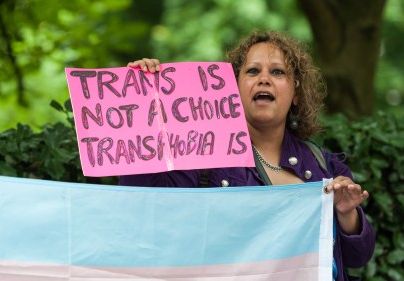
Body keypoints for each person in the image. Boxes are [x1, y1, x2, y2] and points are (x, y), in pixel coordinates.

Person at [119, 30, 375, 281]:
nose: (264, 79)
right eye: (253, 71)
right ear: (234, 88)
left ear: (296, 93)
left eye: (277, 72)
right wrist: (142, 97)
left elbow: (358, 256)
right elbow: (142, 204)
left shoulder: (325, 165)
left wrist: (346, 213)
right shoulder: (202, 157)